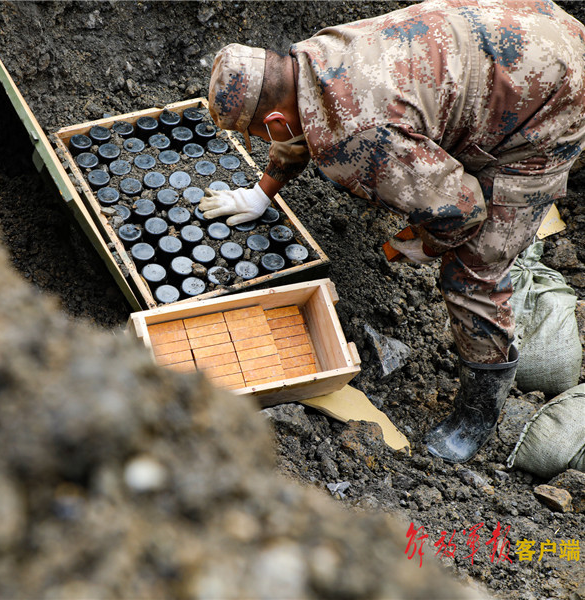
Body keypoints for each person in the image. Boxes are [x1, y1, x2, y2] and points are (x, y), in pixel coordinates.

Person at [201, 0, 585, 463]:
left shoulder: (359, 136)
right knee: (429, 171)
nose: (263, 142)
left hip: (554, 99)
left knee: (471, 272)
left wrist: (424, 243)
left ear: (273, 121)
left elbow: (463, 212)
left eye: (255, 137)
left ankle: (478, 412)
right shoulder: (311, 58)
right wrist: (262, 192)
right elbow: (298, 126)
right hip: (534, 25)